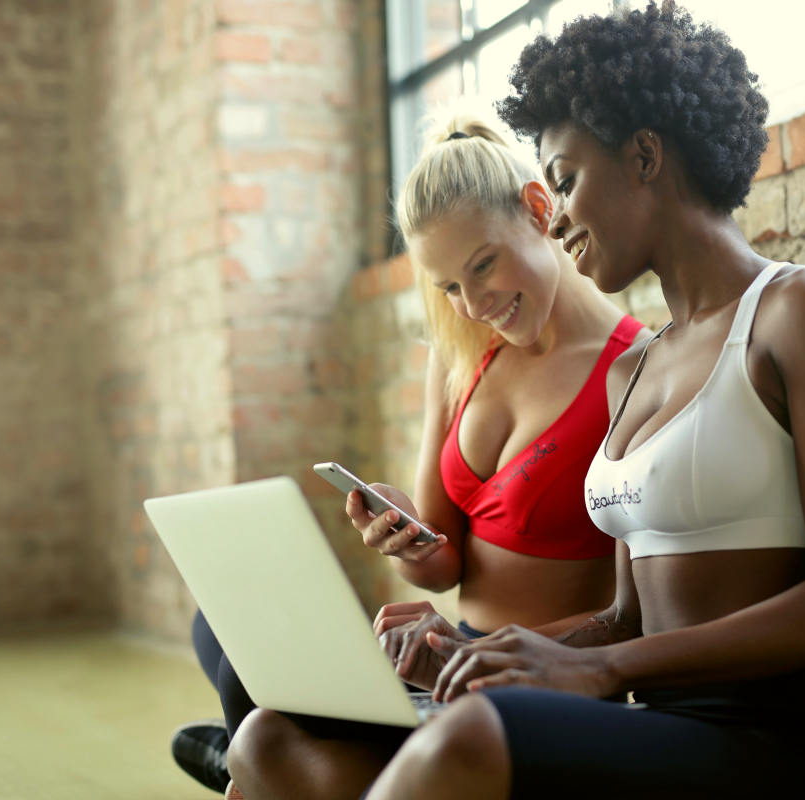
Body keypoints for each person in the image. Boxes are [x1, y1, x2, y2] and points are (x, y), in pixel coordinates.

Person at [227, 3, 805, 799]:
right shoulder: (638, 370)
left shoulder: (803, 311)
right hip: (653, 720)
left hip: (785, 741)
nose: (562, 219)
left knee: (471, 735)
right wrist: (479, 650)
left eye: (567, 181)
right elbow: (625, 614)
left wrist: (600, 667)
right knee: (271, 737)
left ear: (646, 155)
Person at [170, 109, 645, 794]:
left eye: (483, 265)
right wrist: (407, 535)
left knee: (262, 728)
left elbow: (632, 617)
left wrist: (471, 653)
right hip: (443, 658)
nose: (476, 305)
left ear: (539, 208)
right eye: (451, 287)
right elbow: (443, 562)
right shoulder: (463, 357)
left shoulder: (633, 371)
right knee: (227, 633)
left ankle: (253, 771)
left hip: (531, 677)